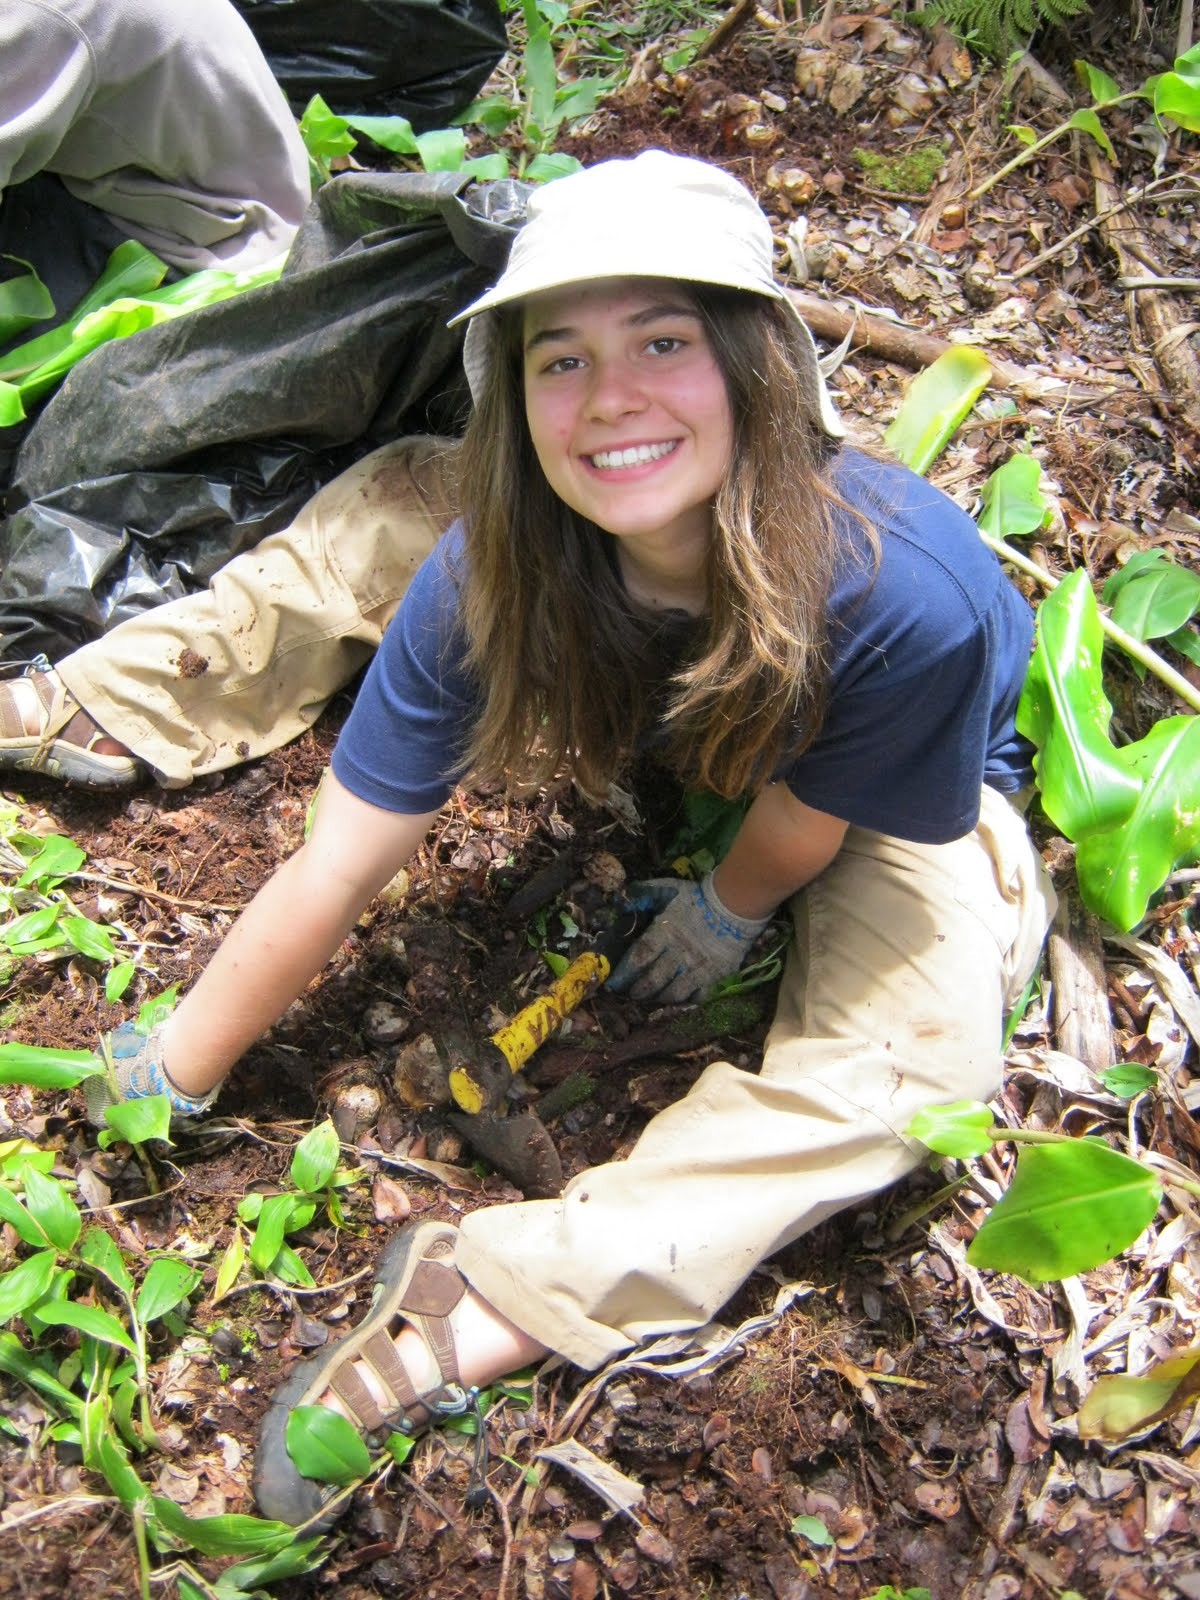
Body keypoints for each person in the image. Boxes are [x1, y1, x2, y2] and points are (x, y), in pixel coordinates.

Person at [73, 149, 1055, 1526]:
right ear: (515, 394)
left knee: (918, 1060)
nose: (610, 401)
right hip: (652, 691)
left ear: (756, 366)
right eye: (559, 361)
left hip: (869, 763)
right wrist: (174, 1065)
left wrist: (727, 908)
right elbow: (340, 862)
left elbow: (805, 816)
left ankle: (486, 1294)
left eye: (664, 342)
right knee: (382, 510)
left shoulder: (909, 595)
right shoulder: (498, 562)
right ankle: (94, 697)